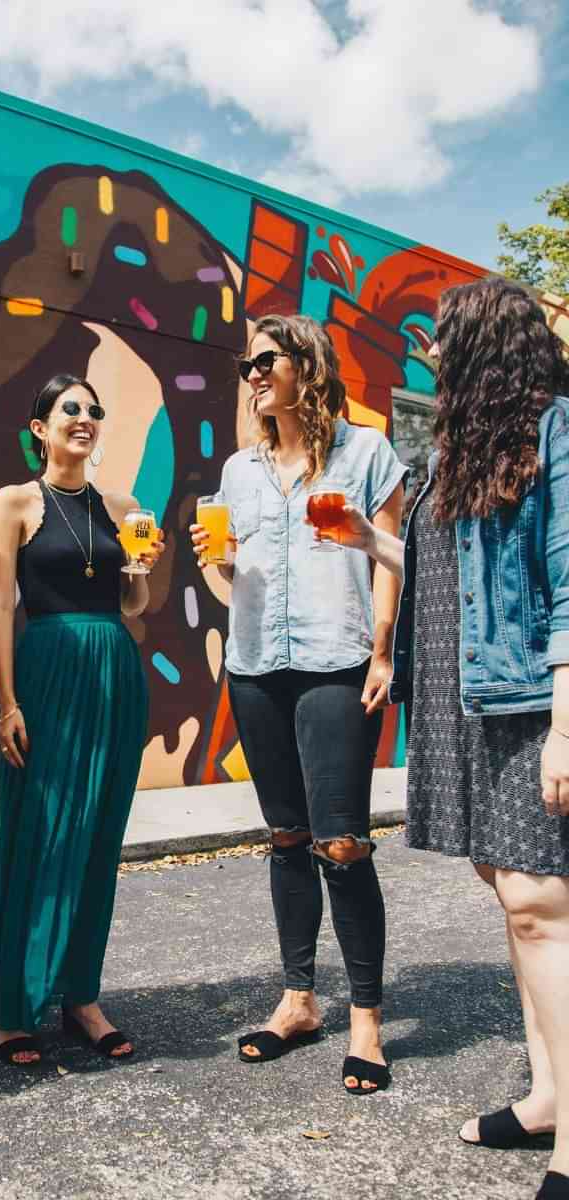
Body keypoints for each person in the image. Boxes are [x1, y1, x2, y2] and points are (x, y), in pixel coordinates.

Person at [319, 278, 569, 1199]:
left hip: (524, 705)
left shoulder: (556, 431)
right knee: (511, 893)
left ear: (484, 346)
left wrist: (565, 729)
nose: (429, 355)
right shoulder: (461, 450)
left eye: (441, 343)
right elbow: (439, 568)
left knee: (543, 901)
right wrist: (366, 540)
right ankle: (547, 1095)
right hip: (456, 702)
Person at [190, 314, 406, 1092]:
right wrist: (216, 565)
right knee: (286, 837)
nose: (251, 374)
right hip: (256, 665)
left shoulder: (366, 451)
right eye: (247, 364)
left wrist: (382, 651)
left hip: (338, 663)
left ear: (306, 366)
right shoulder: (238, 471)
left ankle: (368, 1022)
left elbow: (391, 560)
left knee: (341, 843)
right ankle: (298, 1000)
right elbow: (233, 573)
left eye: (265, 361)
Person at [0, 373, 163, 1064]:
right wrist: (8, 701)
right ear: (40, 427)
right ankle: (10, 1003)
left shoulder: (123, 505)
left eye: (93, 410)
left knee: (97, 836)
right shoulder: (15, 502)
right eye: (70, 410)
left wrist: (141, 571)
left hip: (113, 670)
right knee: (39, 829)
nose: (85, 419)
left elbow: (134, 606)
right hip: (48, 670)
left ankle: (81, 996)